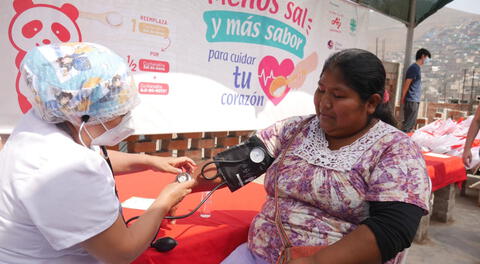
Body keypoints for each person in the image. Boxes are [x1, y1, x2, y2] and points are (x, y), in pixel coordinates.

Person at [194, 49, 431, 264]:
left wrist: (316, 261)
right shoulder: (296, 129)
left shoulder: (395, 149)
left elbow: (393, 228)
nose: (323, 103)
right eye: (321, 90)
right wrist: (182, 185)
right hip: (257, 255)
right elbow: (240, 163)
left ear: (371, 103)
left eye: (338, 96)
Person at [0, 42, 196, 264]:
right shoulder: (64, 165)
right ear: (82, 114)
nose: (125, 118)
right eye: (120, 111)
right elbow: (121, 252)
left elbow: (92, 152)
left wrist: (147, 160)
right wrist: (165, 200)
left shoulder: (43, 121)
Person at [401, 48, 431, 132]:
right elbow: (407, 82)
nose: (427, 60)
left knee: (410, 125)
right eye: (427, 58)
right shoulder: (414, 68)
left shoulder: (417, 68)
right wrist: (403, 97)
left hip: (414, 99)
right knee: (408, 126)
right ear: (423, 56)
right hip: (411, 99)